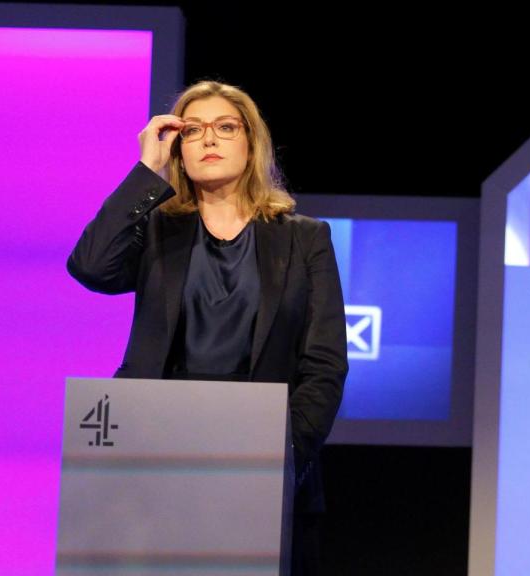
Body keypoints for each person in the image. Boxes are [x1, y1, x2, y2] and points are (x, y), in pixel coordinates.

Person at [67, 80, 347, 575]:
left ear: (250, 142)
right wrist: (145, 172)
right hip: (151, 461)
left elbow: (323, 363)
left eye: (225, 127)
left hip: (261, 464)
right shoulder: (156, 228)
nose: (209, 140)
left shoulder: (305, 239)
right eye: (192, 130)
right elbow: (91, 267)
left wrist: (280, 457)